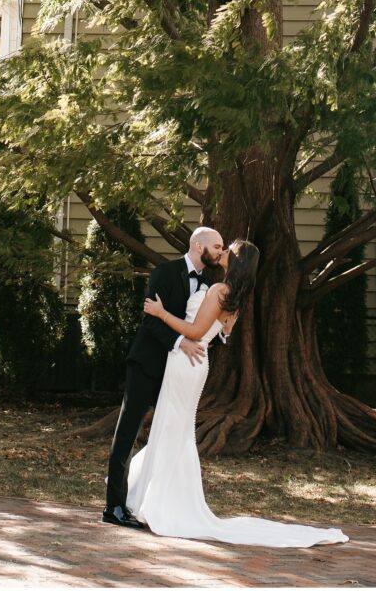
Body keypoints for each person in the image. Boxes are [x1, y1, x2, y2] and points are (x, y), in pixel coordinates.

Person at [126, 238, 350, 548]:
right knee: (177, 429)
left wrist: (161, 313)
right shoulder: (236, 296)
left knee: (172, 427)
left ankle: (164, 503)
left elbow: (193, 332)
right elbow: (225, 334)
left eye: (228, 248)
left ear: (236, 258)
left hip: (185, 361)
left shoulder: (220, 291)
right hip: (197, 362)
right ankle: (156, 496)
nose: (223, 250)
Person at [102, 226, 225, 528]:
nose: (221, 252)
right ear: (199, 246)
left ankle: (158, 503)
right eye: (217, 246)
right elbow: (150, 319)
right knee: (127, 432)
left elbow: (202, 322)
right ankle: (114, 507)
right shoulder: (165, 272)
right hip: (147, 364)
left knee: (171, 433)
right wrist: (180, 341)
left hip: (177, 373)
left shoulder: (210, 283)